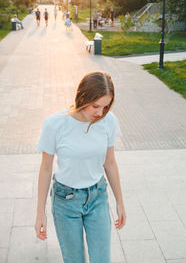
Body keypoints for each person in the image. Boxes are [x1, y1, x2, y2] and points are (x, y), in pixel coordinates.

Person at [35, 71, 126, 263]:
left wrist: (120, 201)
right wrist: (40, 212)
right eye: (95, 106)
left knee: (102, 259)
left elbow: (109, 162)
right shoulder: (55, 123)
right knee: (74, 260)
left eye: (106, 107)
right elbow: (45, 169)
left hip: (97, 197)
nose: (100, 113)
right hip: (65, 200)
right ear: (82, 96)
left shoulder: (109, 121)